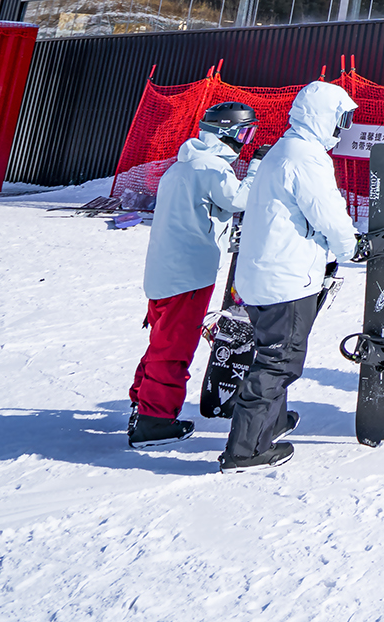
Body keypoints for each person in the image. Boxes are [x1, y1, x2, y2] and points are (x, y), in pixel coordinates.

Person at [221, 81, 359, 470]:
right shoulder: (305, 157)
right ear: (322, 117)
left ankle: (272, 422)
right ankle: (245, 450)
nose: (342, 127)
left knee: (270, 351)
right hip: (286, 279)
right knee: (279, 361)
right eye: (340, 119)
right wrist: (352, 248)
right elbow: (326, 212)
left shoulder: (285, 148)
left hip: (264, 275)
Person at [127, 101, 254, 447]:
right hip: (188, 274)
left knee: (162, 339)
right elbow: (242, 199)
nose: (246, 141)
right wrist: (257, 168)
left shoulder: (183, 165)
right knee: (175, 346)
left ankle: (143, 402)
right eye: (244, 133)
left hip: (165, 271)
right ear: (227, 134)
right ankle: (154, 421)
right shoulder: (211, 168)